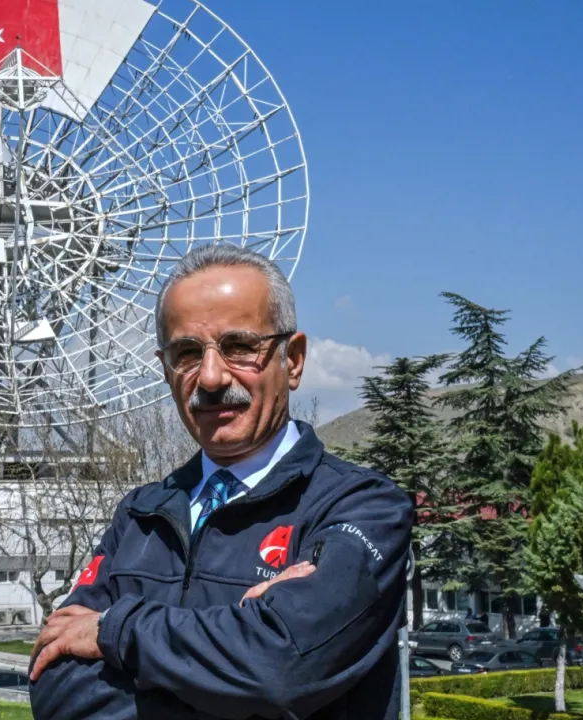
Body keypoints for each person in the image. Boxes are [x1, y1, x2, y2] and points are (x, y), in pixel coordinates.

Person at [28, 245, 413, 720]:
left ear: (293, 360)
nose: (211, 377)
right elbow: (57, 687)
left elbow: (279, 669)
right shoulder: (140, 516)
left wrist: (113, 631)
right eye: (187, 353)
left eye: (239, 347)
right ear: (165, 367)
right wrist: (235, 669)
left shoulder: (362, 508)